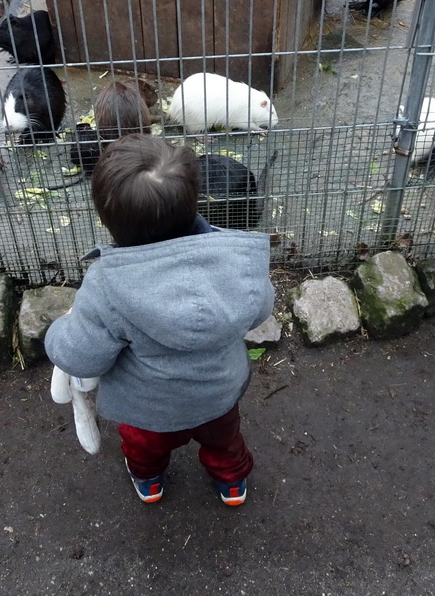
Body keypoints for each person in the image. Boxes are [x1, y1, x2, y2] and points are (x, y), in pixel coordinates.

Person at [45, 133, 274, 506]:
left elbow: (81, 356)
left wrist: (58, 330)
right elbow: (260, 309)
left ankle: (149, 482)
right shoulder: (237, 258)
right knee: (225, 439)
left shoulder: (106, 285)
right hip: (219, 393)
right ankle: (232, 484)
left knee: (144, 446)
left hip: (147, 407)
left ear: (107, 220)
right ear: (192, 201)